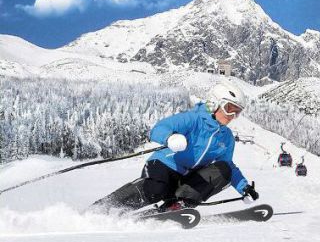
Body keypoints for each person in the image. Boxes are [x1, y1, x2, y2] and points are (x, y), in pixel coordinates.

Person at [92, 81, 259, 212]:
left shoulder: (226, 137)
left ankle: (177, 206)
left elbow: (227, 166)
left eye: (237, 112)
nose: (233, 116)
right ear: (215, 103)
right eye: (230, 109)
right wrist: (170, 138)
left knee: (223, 170)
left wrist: (244, 188)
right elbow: (158, 129)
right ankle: (105, 208)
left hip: (187, 179)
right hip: (164, 166)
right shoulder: (192, 119)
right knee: (156, 189)